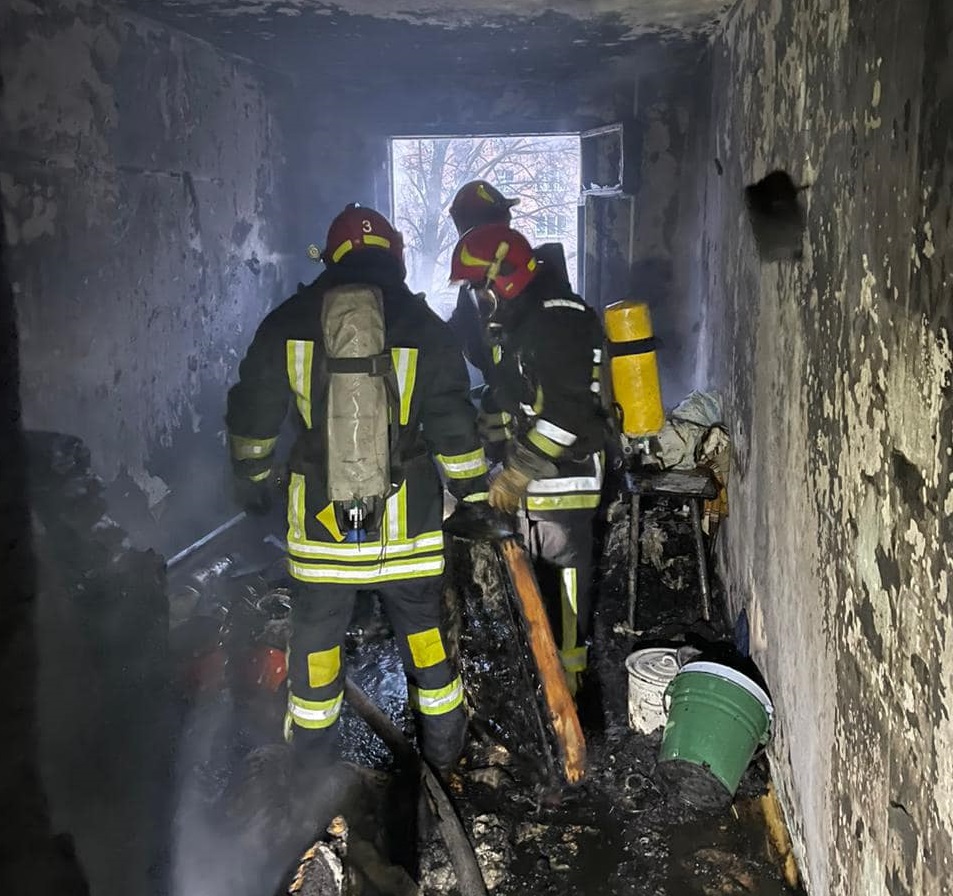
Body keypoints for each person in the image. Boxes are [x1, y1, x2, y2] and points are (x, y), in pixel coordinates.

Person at [225, 204, 489, 774]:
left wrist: (253, 481)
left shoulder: (288, 321)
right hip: (408, 530)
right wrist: (473, 495)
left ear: (332, 256)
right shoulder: (425, 327)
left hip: (322, 533)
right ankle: (442, 765)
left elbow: (253, 416)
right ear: (394, 254)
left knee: (316, 650)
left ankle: (312, 778)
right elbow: (454, 428)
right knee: (426, 643)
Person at [449, 222, 605, 696]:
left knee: (565, 587)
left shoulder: (558, 320)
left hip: (567, 479)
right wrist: (491, 439)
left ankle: (571, 689)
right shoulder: (518, 322)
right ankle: (543, 676)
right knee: (535, 589)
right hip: (535, 482)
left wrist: (516, 472)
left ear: (505, 275)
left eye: (480, 286)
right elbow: (510, 394)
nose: (478, 297)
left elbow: (567, 414)